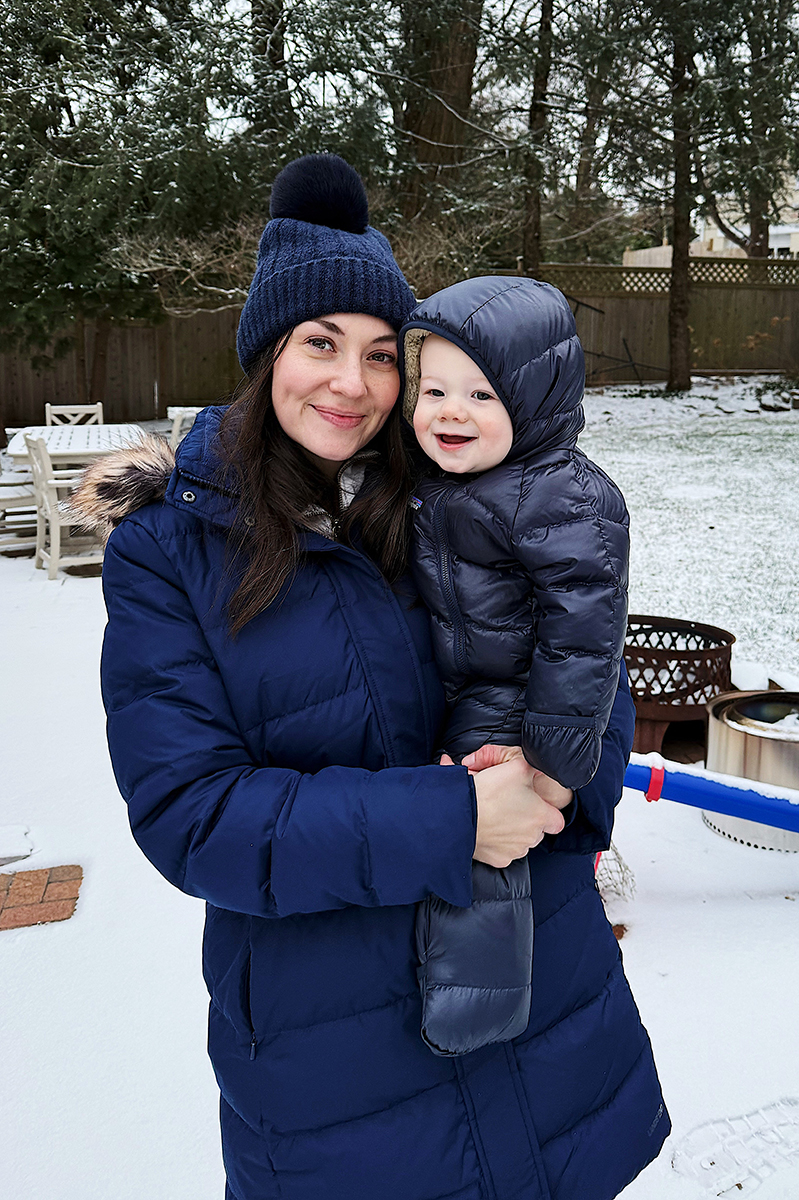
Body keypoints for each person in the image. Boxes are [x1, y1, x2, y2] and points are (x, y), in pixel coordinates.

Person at [72, 153, 669, 1200]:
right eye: (319, 344)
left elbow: (588, 676)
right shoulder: (170, 552)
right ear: (266, 355)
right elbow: (192, 814)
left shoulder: (457, 495)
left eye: (383, 353)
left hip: (543, 1012)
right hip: (339, 1069)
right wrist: (452, 819)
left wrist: (554, 779)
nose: (352, 383)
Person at [399, 279, 631, 1056]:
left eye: (479, 394)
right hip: (467, 683)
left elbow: (584, 634)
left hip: (513, 704)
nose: (448, 412)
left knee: (490, 857)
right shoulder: (457, 479)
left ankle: (474, 1003)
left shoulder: (561, 495)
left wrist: (552, 758)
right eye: (432, 390)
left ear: (533, 403)